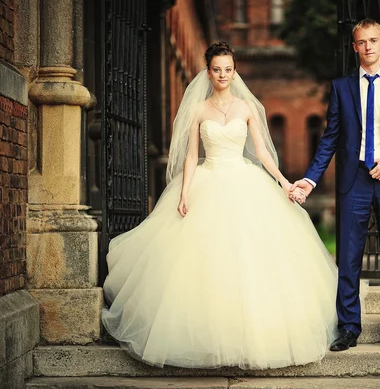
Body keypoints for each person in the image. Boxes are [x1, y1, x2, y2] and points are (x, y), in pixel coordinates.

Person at [101, 42, 338, 369]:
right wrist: (184, 192)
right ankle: (206, 337)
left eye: (228, 69)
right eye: (217, 69)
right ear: (208, 71)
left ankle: (252, 336)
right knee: (201, 261)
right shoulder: (198, 110)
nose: (223, 75)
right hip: (207, 180)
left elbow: (263, 152)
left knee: (249, 259)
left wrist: (283, 181)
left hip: (243, 181)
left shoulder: (246, 108)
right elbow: (190, 155)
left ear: (234, 70)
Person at [292, 19, 380, 352]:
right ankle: (349, 327)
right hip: (354, 184)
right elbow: (330, 139)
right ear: (354, 47)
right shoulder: (341, 88)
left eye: (373, 40)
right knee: (348, 259)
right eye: (361, 42)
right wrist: (310, 179)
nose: (367, 46)